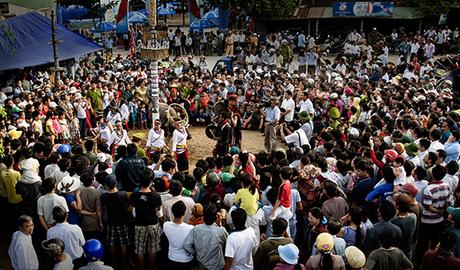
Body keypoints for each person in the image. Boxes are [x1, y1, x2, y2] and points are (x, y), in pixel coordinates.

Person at [129, 171, 163, 270]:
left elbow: (133, 207)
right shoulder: (156, 195)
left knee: (140, 250)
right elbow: (158, 209)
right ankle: (151, 268)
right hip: (153, 224)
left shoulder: (134, 195)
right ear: (151, 181)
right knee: (152, 249)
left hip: (139, 224)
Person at [184, 204, 228, 270]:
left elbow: (186, 245)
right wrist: (220, 225)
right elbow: (228, 241)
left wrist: (195, 253)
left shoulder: (196, 229)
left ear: (203, 216)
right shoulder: (221, 231)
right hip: (217, 265)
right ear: (216, 217)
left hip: (202, 264)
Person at [100, 174, 131, 268]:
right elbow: (128, 207)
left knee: (111, 244)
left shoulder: (104, 196)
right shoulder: (123, 194)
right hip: (123, 222)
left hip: (110, 222)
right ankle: (125, 264)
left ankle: (113, 263)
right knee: (123, 244)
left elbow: (103, 209)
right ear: (116, 183)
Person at [163, 200, 195, 268]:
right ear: (184, 213)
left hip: (171, 258)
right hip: (186, 260)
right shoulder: (191, 228)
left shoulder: (166, 225)